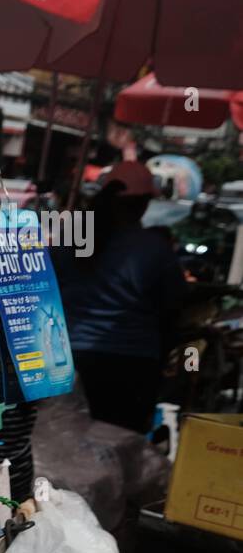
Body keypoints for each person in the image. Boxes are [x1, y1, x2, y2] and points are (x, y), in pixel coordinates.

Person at [54, 161, 187, 434]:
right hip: (131, 368)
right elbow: (173, 312)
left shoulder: (76, 235)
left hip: (67, 359)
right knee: (120, 454)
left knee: (67, 443)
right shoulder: (154, 249)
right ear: (142, 203)